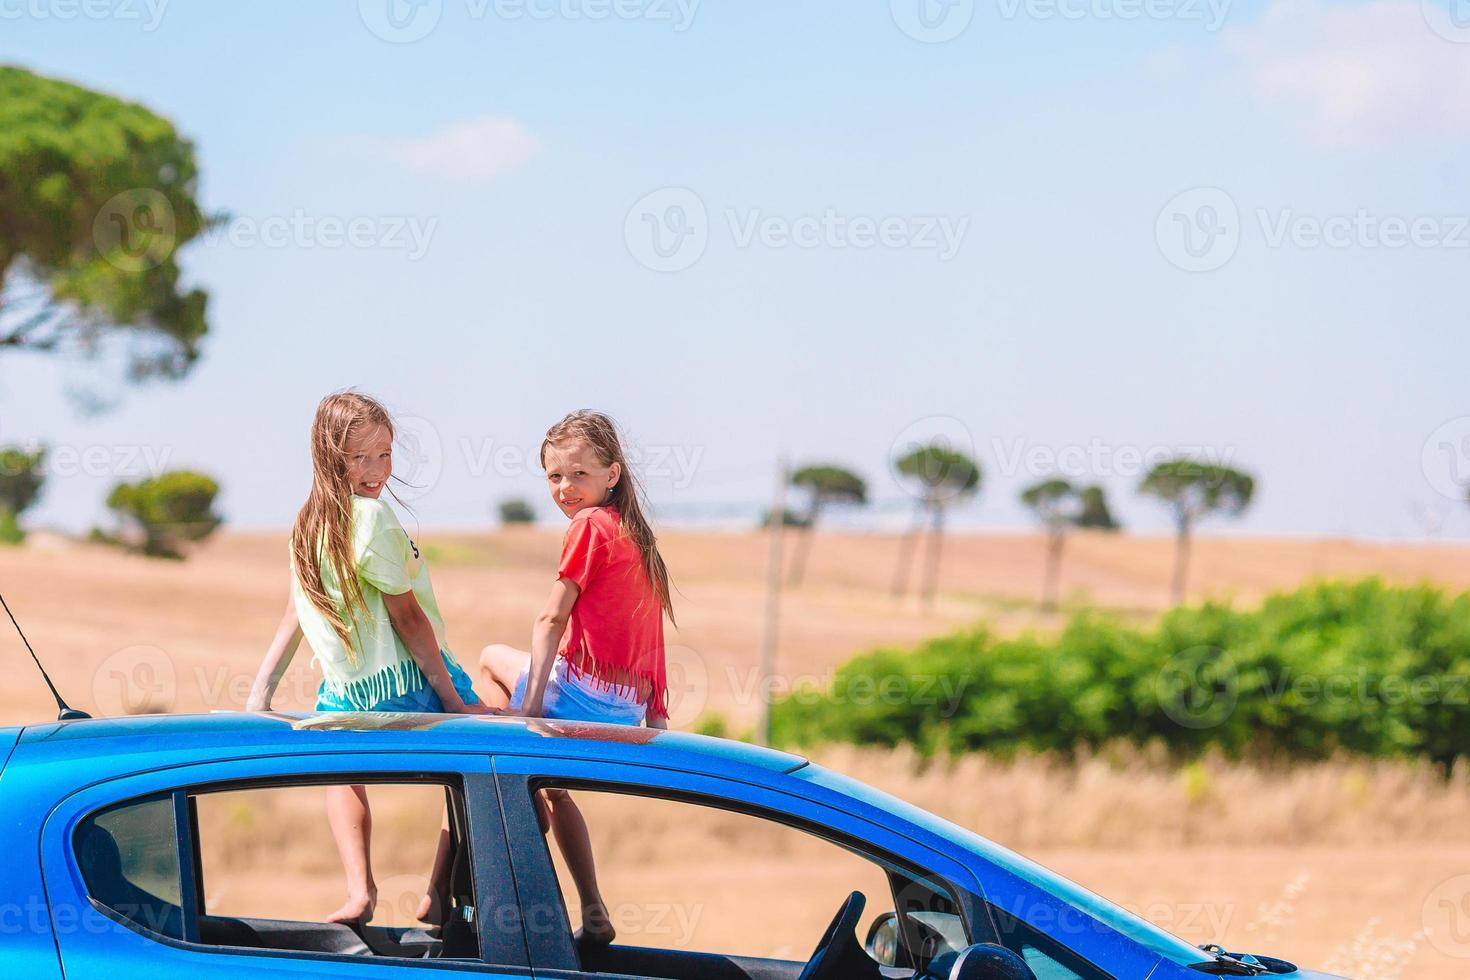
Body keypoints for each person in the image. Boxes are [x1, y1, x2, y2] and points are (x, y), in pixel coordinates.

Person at [247, 390, 486, 926]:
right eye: (361, 458)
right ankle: (437, 892)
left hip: (346, 690)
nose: (378, 470)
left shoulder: (305, 524)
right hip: (407, 681)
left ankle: (360, 892)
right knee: (480, 753)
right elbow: (408, 619)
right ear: (332, 457)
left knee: (342, 774)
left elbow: (294, 613)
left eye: (385, 454)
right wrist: (452, 700)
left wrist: (259, 695)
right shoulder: (373, 518)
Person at [479, 409, 675, 943]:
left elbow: (550, 617)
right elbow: (652, 633)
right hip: (624, 706)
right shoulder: (637, 533)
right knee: (558, 792)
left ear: (612, 474)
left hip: (582, 697)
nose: (565, 488)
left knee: (492, 657)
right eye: (554, 476)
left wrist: (531, 707)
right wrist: (656, 716)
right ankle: (593, 908)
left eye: (578, 475)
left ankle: (503, 799)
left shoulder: (589, 526)